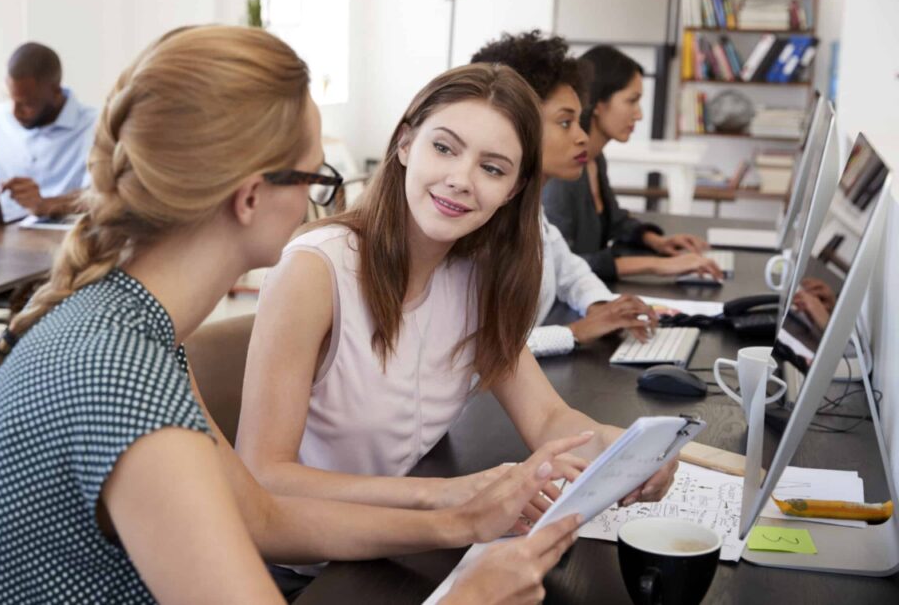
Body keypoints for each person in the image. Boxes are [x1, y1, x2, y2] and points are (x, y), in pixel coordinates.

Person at [0, 26, 585, 604]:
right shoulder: (124, 377)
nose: (321, 207)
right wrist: (467, 593)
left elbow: (260, 514)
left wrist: (458, 516)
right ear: (252, 195)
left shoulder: (127, 326)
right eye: (315, 180)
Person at [236, 62, 678, 585]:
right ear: (405, 144)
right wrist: (445, 497)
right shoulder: (316, 269)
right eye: (444, 148)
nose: (460, 180)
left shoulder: (478, 275)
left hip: (398, 551)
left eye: (493, 168)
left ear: (514, 190)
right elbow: (264, 478)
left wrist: (622, 450)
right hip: (301, 571)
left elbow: (548, 421)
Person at [472, 30, 657, 355]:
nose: (583, 137)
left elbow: (570, 269)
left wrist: (599, 305)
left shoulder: (527, 207)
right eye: (564, 123)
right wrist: (573, 332)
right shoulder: (480, 223)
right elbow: (478, 351)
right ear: (516, 125)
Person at [542, 45, 722, 282]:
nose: (639, 115)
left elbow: (615, 220)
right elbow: (562, 265)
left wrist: (657, 242)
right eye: (631, 101)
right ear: (598, 104)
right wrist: (658, 265)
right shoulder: (562, 175)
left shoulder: (595, 159)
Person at [0, 42, 97, 218]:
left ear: (56, 91)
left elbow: (102, 197)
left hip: (61, 235)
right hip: (2, 232)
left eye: (27, 105)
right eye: (10, 99)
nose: (15, 112)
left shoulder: (95, 127)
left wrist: (45, 204)